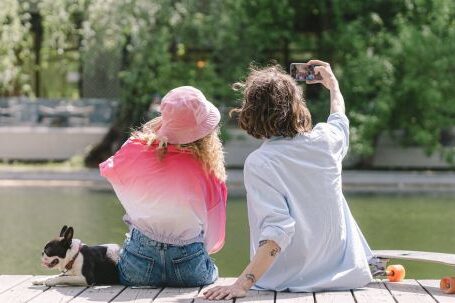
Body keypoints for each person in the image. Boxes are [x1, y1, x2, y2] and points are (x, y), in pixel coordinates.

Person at [204, 60, 373, 300]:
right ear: (297, 106)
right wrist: (333, 87)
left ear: (251, 111)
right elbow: (339, 117)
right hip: (345, 277)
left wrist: (242, 284)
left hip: (286, 282)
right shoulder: (326, 141)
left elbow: (277, 230)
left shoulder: (261, 162)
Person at [100, 86, 227, 287]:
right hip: (190, 267)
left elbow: (111, 172)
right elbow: (214, 236)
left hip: (138, 264)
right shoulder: (209, 171)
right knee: (213, 270)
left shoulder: (133, 150)